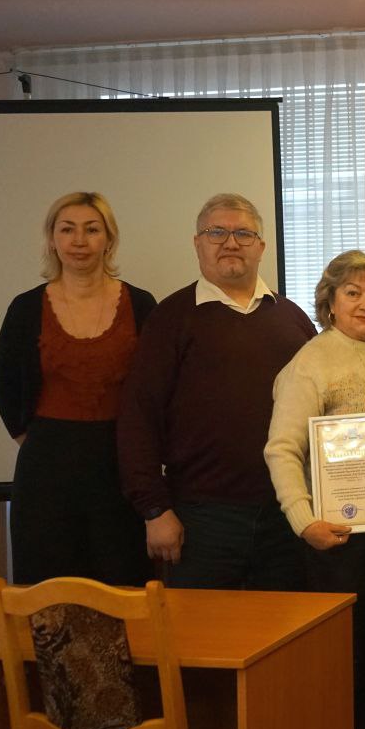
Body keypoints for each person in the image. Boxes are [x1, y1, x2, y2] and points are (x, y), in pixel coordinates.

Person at [119, 193, 316, 590]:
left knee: (283, 643)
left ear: (261, 247)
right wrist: (154, 510)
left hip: (287, 516)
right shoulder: (170, 319)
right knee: (201, 646)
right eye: (217, 232)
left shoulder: (292, 319)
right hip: (201, 519)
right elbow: (139, 416)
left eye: (243, 233)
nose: (230, 242)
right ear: (197, 243)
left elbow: (321, 412)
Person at [264, 250, 365, 729]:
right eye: (353, 293)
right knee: (344, 657)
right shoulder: (309, 362)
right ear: (330, 302)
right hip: (336, 537)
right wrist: (304, 522)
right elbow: (282, 449)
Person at [0, 191, 156, 586]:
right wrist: (43, 445)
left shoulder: (141, 304)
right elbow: (7, 387)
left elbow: (155, 389)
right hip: (45, 472)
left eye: (91, 229)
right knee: (50, 593)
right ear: (52, 239)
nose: (79, 241)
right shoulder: (25, 308)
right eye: (67, 230)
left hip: (120, 469)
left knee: (123, 585)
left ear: (109, 239)